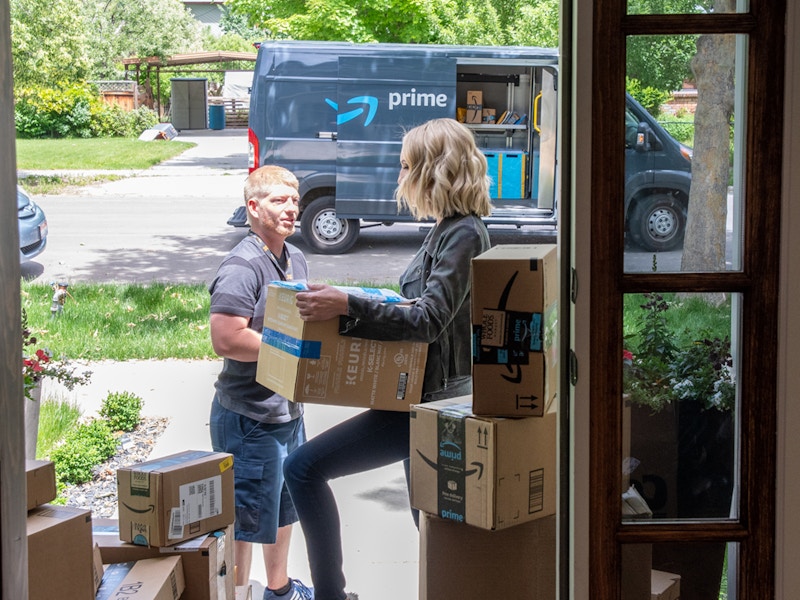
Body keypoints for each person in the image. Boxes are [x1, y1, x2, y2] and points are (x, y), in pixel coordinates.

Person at [283, 118, 492, 600]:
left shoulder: (464, 234)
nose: (399, 177)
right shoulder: (445, 228)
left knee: (303, 469)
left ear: (433, 170)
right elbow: (416, 309)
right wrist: (352, 304)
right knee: (431, 522)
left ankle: (330, 596)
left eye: (405, 166)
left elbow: (428, 320)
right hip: (414, 395)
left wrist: (348, 305)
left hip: (430, 403)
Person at [208, 165, 313, 600]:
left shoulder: (295, 256)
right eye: (278, 201)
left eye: (294, 201)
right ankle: (236, 595)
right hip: (249, 418)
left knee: (284, 510)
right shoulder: (243, 265)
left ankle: (279, 589)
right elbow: (227, 338)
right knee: (245, 521)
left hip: (286, 411)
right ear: (253, 207)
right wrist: (290, 351)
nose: (291, 209)